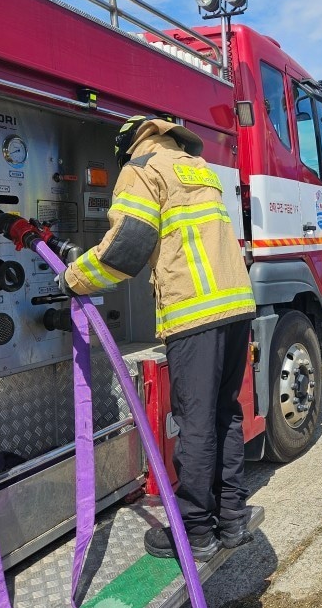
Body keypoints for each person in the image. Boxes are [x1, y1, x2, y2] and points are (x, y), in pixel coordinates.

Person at [58, 115, 258, 560]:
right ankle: (231, 520)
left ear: (131, 142)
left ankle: (194, 532)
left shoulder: (142, 169)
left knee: (196, 423)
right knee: (225, 415)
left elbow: (128, 245)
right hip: (236, 305)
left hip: (194, 313)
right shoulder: (196, 167)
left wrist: (74, 276)